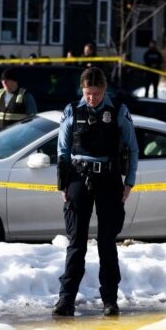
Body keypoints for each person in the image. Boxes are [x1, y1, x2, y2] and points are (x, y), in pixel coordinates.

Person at [52, 67, 138, 317]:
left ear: (104, 90)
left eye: (97, 93)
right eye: (88, 93)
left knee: (107, 243)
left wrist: (129, 183)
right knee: (76, 243)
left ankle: (110, 300)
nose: (92, 98)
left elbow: (132, 148)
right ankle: (66, 299)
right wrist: (63, 184)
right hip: (78, 178)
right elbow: (62, 150)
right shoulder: (72, 110)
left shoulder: (118, 111)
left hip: (109, 179)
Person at [0, 67, 38, 137]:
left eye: (7, 80)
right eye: (2, 81)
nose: (4, 83)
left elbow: (32, 120)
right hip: (0, 137)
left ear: (14, 81)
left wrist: (22, 137)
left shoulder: (25, 95)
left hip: (18, 138)